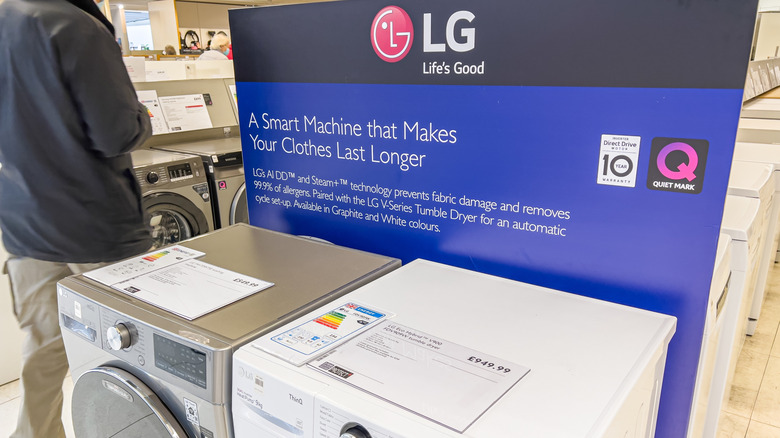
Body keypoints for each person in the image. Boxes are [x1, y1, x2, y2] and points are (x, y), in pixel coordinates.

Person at [0, 0, 153, 437]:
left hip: (24, 222)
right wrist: (143, 118)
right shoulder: (77, 26)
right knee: (131, 350)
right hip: (96, 225)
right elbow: (117, 132)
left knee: (42, 351)